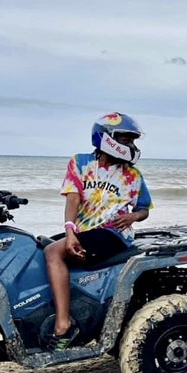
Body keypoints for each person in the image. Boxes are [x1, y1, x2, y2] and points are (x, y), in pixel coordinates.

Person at [43, 112, 153, 350]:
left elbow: (144, 208)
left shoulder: (133, 176)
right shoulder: (81, 163)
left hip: (113, 234)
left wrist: (133, 216)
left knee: (53, 253)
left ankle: (63, 325)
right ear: (106, 137)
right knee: (41, 247)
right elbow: (72, 199)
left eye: (133, 141)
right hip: (86, 231)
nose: (131, 146)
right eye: (126, 139)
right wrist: (70, 230)